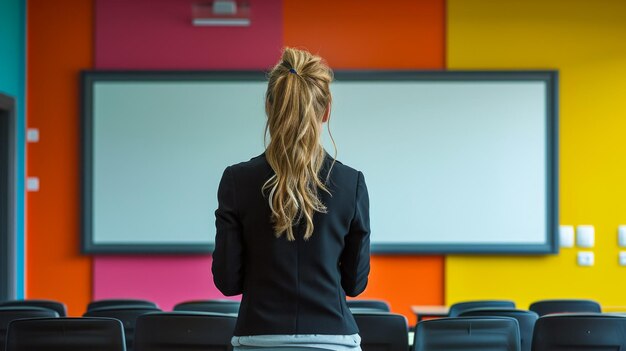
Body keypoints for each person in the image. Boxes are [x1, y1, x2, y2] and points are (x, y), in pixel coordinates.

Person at [212, 47, 371, 351]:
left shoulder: (237, 180)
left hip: (258, 338)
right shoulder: (352, 183)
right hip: (334, 339)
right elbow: (355, 284)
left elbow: (227, 282)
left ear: (269, 107)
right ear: (326, 112)